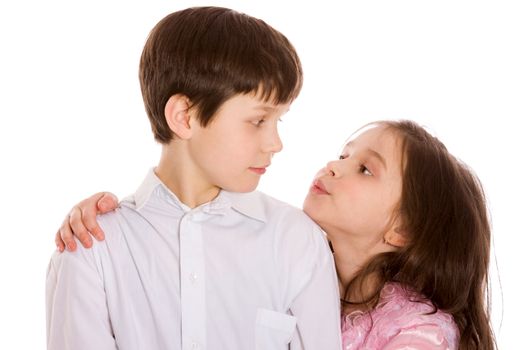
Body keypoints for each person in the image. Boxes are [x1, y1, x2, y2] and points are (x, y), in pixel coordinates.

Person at [46, 6, 342, 350]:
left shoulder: (296, 240)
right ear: (184, 117)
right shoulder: (92, 248)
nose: (275, 143)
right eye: (258, 120)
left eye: (280, 121)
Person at [59, 120, 497, 349]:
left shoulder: (421, 331)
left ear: (401, 229)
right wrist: (113, 213)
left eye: (365, 169)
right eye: (343, 155)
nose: (334, 166)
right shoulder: (292, 256)